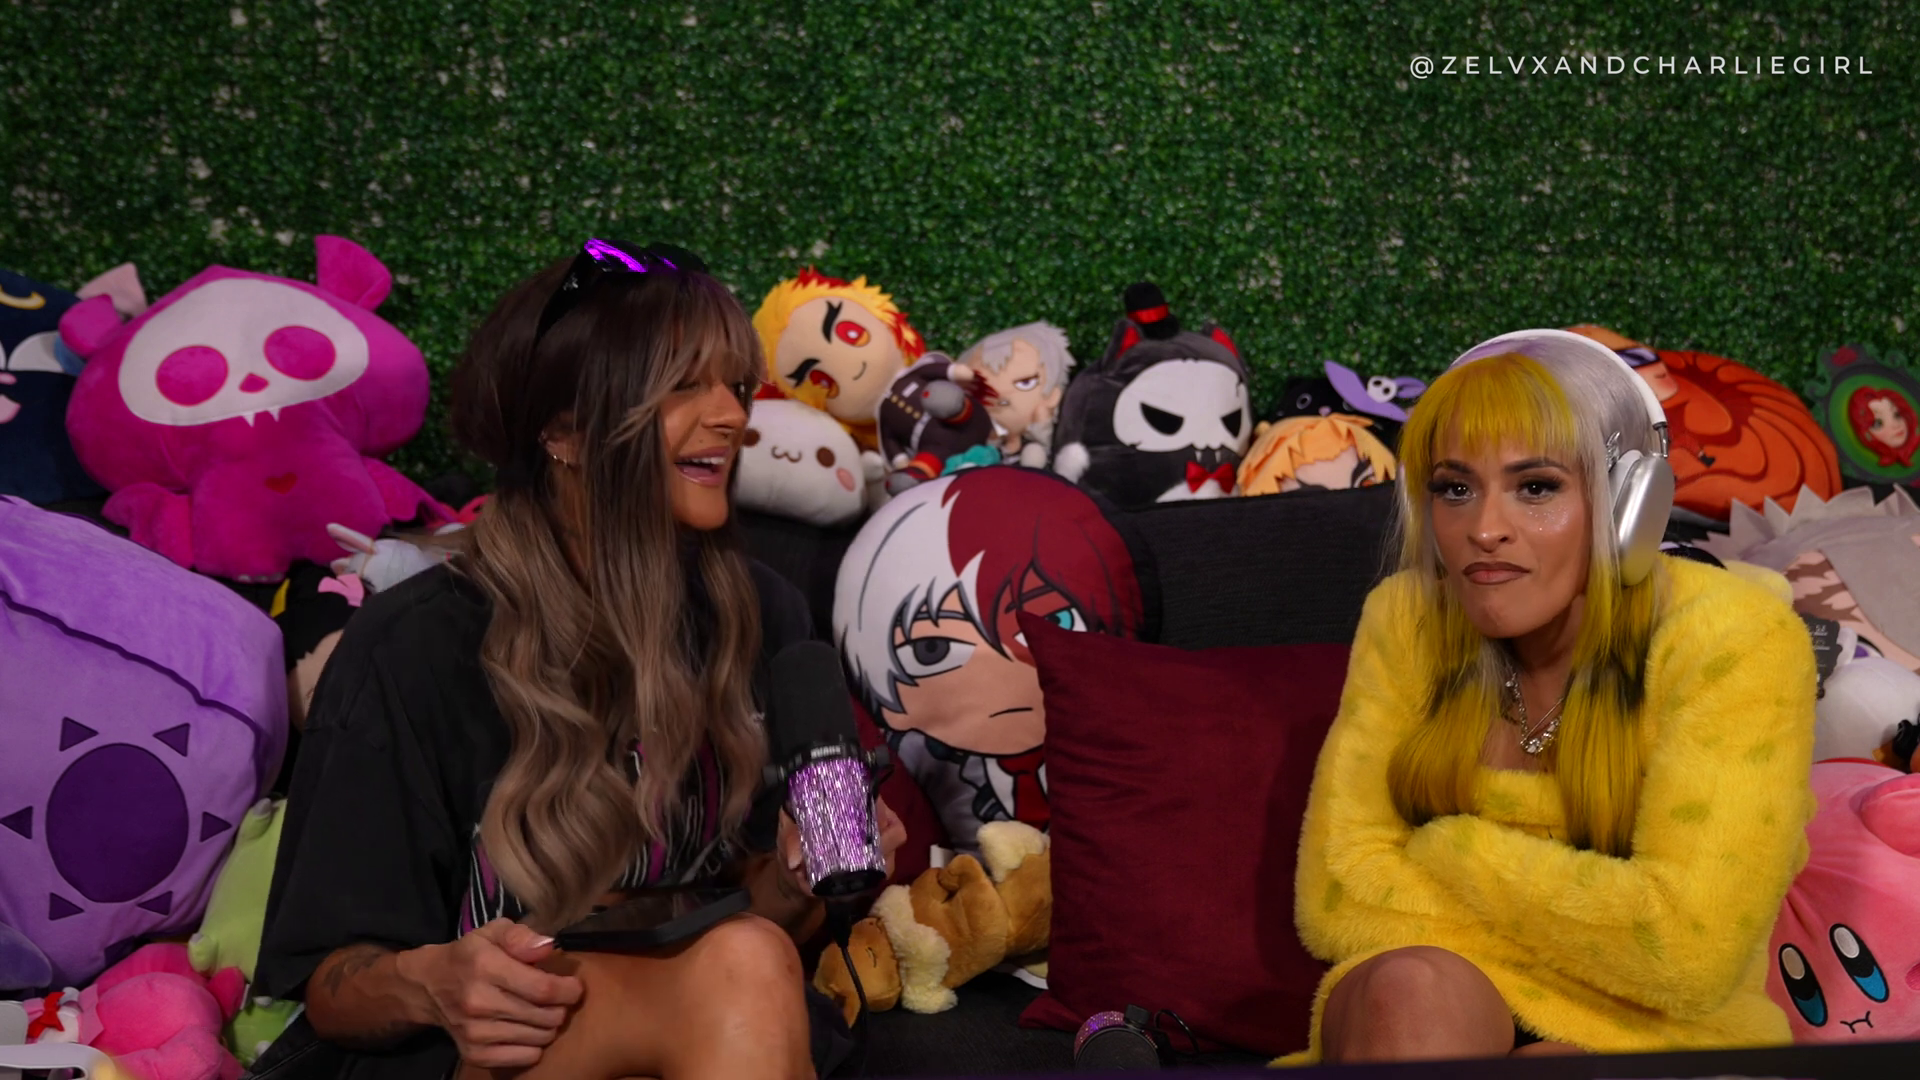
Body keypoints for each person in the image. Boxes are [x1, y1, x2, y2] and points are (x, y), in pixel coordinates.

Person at [256, 240, 906, 1080]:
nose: (731, 416)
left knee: (748, 959)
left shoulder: (762, 613)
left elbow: (761, 930)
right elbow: (332, 986)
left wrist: (798, 877)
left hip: (708, 1022)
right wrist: (435, 984)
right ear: (563, 430)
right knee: (742, 966)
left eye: (736, 386)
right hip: (470, 1054)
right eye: (683, 385)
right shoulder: (417, 644)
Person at [1289, 329, 1817, 1062]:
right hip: (1430, 1005)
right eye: (1454, 489)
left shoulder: (1734, 637)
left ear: (1630, 504)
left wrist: (1451, 846)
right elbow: (1335, 897)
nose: (1485, 530)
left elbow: (1685, 953)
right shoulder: (1407, 619)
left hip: (1658, 1031)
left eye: (1536, 487)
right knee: (1409, 989)